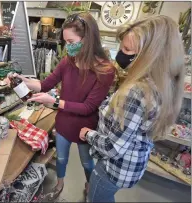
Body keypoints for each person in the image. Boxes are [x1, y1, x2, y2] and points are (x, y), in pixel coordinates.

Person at [7, 13, 115, 200]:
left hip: (85, 128)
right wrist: (22, 79)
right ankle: (60, 183)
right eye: (65, 41)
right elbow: (44, 85)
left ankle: (89, 184)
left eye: (71, 41)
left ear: (88, 39)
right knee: (62, 159)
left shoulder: (105, 70)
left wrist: (54, 102)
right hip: (64, 122)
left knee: (87, 163)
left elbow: (88, 107)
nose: (67, 47)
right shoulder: (68, 62)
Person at [79, 15, 185, 202]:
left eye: (127, 49)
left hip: (113, 168)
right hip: (133, 164)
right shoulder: (161, 84)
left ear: (151, 56)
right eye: (121, 47)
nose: (121, 54)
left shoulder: (136, 92)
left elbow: (113, 148)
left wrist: (88, 134)